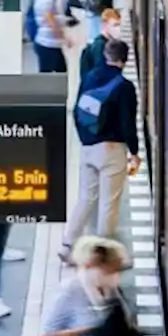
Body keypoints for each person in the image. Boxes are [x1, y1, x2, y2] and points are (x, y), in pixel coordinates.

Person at [61, 39, 140, 261]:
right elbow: (128, 124)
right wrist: (134, 152)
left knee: (86, 198)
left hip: (87, 147)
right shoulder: (124, 87)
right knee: (108, 202)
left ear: (105, 55)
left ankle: (67, 245)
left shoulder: (88, 77)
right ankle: (101, 255)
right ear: (124, 60)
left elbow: (77, 110)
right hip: (111, 150)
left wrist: (86, 140)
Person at [32, 0, 69, 73]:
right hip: (48, 43)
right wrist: (63, 37)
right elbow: (50, 20)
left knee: (57, 72)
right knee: (55, 74)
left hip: (50, 42)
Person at [79, 7, 123, 80]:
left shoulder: (103, 43)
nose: (118, 29)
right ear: (105, 25)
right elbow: (100, 71)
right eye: (115, 25)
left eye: (119, 25)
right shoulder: (100, 46)